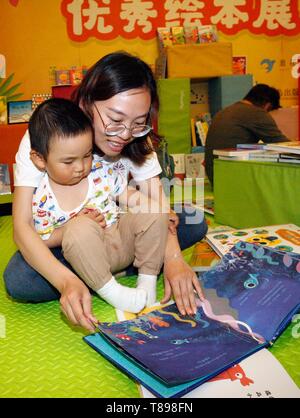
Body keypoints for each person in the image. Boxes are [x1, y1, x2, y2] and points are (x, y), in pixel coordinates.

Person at [4, 52, 207, 331]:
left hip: (123, 227)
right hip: (74, 238)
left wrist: (174, 260)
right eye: (115, 119)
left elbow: (156, 203)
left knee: (193, 219)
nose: (125, 134)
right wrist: (66, 281)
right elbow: (22, 226)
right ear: (87, 103)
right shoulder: (48, 134)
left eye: (138, 122)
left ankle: (125, 264)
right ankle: (109, 270)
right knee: (19, 280)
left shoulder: (138, 135)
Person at [29, 97, 169, 318]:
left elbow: (125, 193)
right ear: (40, 159)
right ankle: (112, 291)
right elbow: (43, 237)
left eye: (86, 156)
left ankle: (147, 281)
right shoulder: (43, 198)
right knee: (79, 229)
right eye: (68, 161)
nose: (80, 167)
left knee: (156, 210)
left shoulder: (99, 170)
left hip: (122, 241)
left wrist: (151, 209)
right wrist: (70, 228)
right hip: (90, 258)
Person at [205, 83, 289, 185]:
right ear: (268, 105)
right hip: (232, 179)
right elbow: (283, 145)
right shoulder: (257, 113)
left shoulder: (226, 111)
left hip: (215, 176)